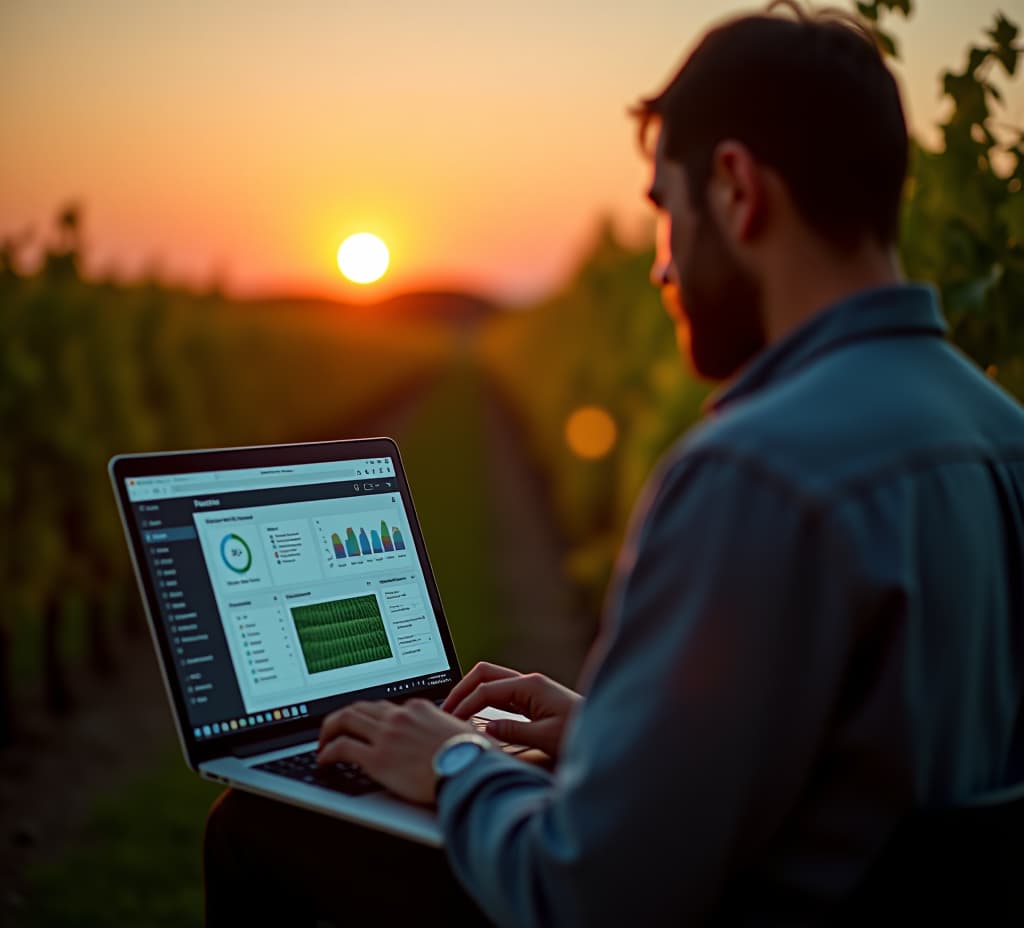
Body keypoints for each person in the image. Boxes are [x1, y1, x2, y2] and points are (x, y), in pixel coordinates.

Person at [205, 3, 1024, 925]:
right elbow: (858, 782)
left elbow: (585, 892)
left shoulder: (754, 474)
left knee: (256, 829)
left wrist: (450, 759)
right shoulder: (1004, 436)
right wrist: (615, 738)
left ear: (735, 190)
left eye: (666, 213)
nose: (661, 270)